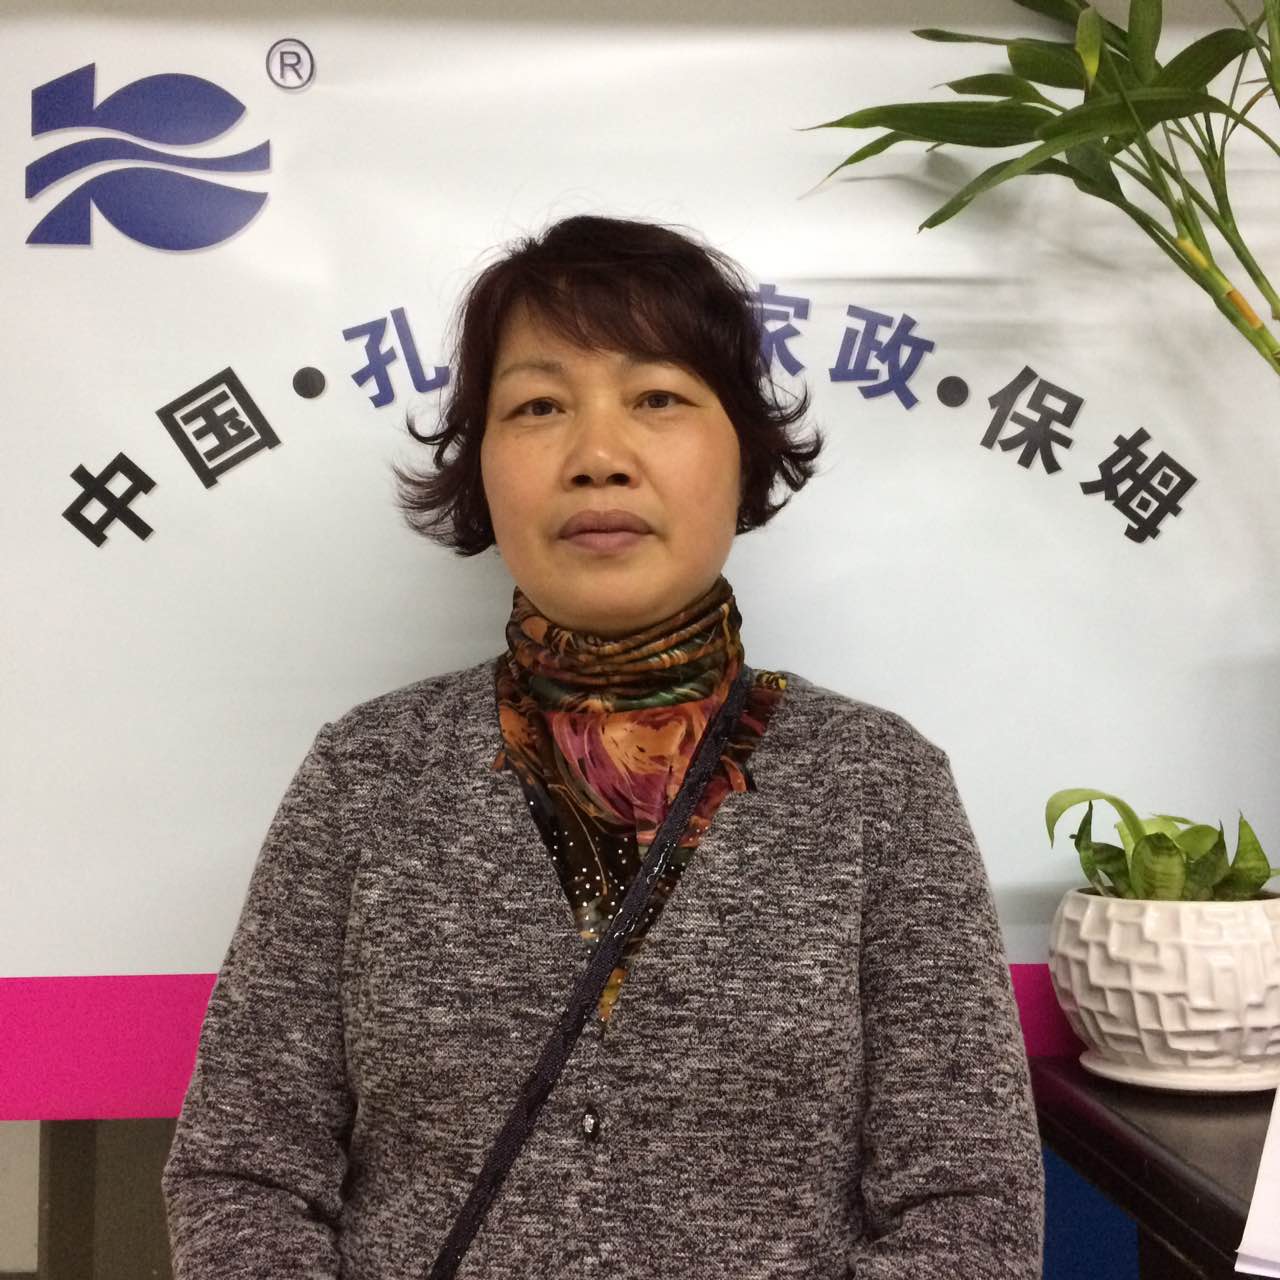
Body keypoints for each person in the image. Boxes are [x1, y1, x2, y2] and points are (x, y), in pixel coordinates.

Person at [161, 213, 1045, 1277]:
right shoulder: (367, 772)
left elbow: (970, 1207)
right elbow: (243, 1171)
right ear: (481, 463)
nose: (597, 458)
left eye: (658, 397)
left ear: (742, 450)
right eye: (538, 406)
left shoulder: (878, 783)